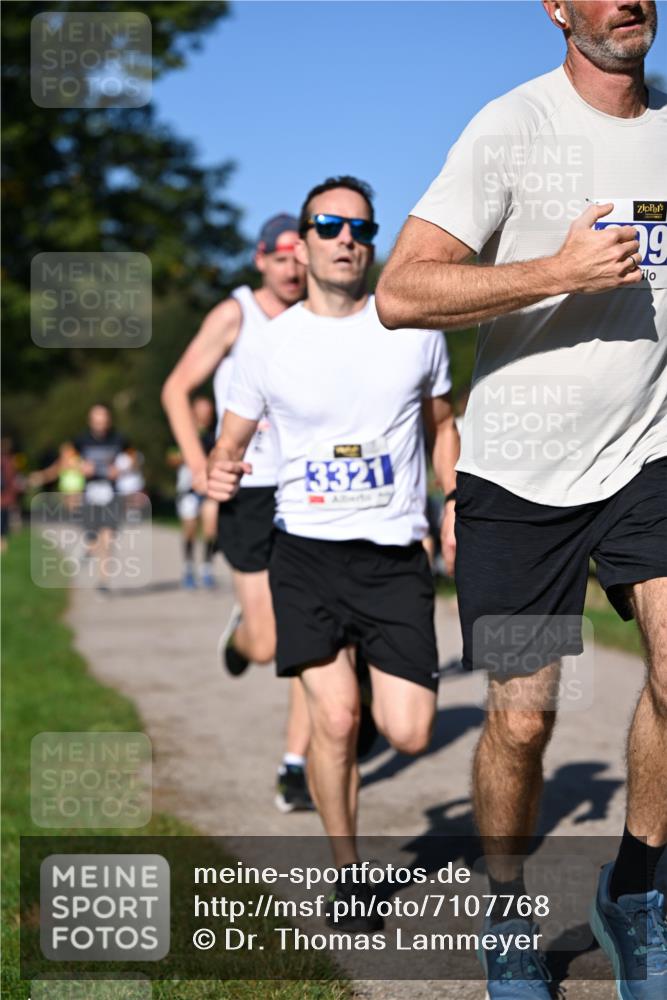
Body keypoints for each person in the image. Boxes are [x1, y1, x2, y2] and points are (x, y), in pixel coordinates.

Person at [377, 1, 666, 995]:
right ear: (556, 8)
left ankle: (635, 893)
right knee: (521, 718)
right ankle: (505, 912)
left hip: (649, 458)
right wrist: (556, 271)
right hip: (515, 476)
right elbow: (401, 290)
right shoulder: (514, 125)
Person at [208, 176, 460, 926]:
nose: (346, 238)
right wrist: (221, 468)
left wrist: (454, 504)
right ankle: (347, 873)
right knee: (337, 722)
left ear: (372, 242)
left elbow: (441, 424)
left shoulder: (415, 329)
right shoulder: (269, 344)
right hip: (306, 554)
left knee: (410, 730)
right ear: (303, 243)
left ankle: (366, 680)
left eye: (360, 228)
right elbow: (230, 444)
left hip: (391, 557)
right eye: (328, 225)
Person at [162, 214, 314, 812]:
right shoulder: (235, 315)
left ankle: (294, 765)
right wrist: (202, 466)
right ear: (260, 260)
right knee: (269, 640)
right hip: (248, 491)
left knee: (309, 634)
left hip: (306, 492)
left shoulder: (319, 317)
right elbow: (176, 389)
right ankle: (242, 637)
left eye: (300, 256)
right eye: (280, 257)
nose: (292, 267)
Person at [73, 403, 129, 591]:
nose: (101, 421)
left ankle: (103, 581)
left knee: (108, 537)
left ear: (109, 419)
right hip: (90, 492)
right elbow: (66, 458)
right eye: (97, 417)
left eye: (104, 417)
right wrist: (80, 467)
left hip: (111, 492)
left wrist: (121, 468)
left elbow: (134, 457)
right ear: (91, 420)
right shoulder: (81, 440)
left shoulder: (119, 439)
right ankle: (88, 549)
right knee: (93, 538)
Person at [167, 396, 218, 589]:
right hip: (188, 487)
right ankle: (188, 567)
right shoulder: (184, 433)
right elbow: (171, 458)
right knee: (189, 528)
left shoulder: (216, 433)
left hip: (210, 488)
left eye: (208, 410)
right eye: (201, 409)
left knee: (210, 528)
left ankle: (207, 568)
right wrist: (190, 456)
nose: (205, 414)